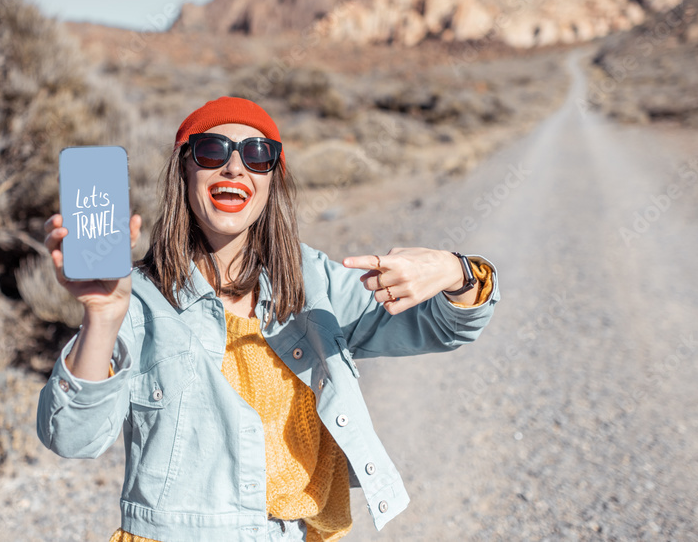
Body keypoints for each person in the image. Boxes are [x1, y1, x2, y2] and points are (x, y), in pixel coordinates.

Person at [37, 96, 499, 542]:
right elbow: (73, 438)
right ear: (184, 171)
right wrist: (101, 314)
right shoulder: (137, 299)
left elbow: (443, 326)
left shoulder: (312, 281)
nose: (234, 166)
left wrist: (456, 270)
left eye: (257, 155)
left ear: (272, 180)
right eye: (212, 150)